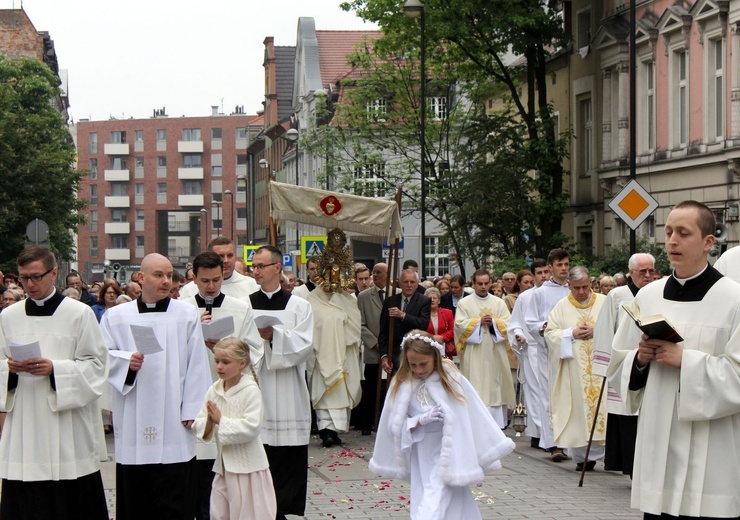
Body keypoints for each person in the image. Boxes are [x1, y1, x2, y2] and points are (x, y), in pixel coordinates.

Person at [608, 200, 740, 519]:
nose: (672, 241)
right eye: (668, 232)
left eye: (683, 233)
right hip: (659, 444)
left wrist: (686, 361)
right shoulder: (648, 297)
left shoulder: (733, 299)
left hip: (713, 446)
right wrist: (639, 360)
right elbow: (618, 365)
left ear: (709, 242)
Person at [0, 245, 109, 519]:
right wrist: (9, 370)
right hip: (24, 424)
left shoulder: (79, 314)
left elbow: (97, 367)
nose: (30, 284)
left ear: (54, 273)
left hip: (66, 428)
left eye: (37, 276)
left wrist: (55, 369)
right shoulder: (7, 317)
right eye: (24, 277)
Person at [101, 253, 211, 520]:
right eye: (158, 275)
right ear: (141, 278)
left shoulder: (185, 314)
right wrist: (126, 363)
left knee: (175, 497)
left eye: (169, 275)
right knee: (137, 499)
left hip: (174, 418)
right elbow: (101, 358)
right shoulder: (116, 317)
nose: (166, 281)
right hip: (132, 415)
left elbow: (197, 363)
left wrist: (193, 410)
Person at [369, 330, 515, 520]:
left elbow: (471, 413)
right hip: (421, 453)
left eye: (424, 364)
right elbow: (394, 426)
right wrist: (419, 420)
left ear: (435, 358)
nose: (419, 369)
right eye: (413, 365)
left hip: (450, 452)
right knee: (434, 496)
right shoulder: (403, 383)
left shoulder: (451, 379)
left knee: (435, 497)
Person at [182, 251, 263, 520]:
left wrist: (222, 348)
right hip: (192, 394)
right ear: (194, 278)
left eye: (216, 279)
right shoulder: (181, 308)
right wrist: (196, 332)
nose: (211, 286)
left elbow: (254, 350)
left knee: (221, 476)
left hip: (230, 397)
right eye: (204, 280)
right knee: (194, 471)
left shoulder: (239, 308)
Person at [249, 245, 313, 520]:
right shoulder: (245, 303)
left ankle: (283, 508)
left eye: (261, 266)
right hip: (257, 383)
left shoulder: (299, 305)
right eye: (254, 266)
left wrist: (274, 337)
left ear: (277, 268)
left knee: (286, 452)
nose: (256, 271)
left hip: (288, 388)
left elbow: (305, 345)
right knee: (259, 448)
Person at [194, 337, 277, 520]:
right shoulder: (214, 390)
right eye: (217, 361)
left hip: (248, 469)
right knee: (219, 513)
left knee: (249, 514)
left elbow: (252, 427)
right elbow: (199, 422)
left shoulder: (250, 390)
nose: (219, 367)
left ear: (242, 363)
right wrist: (209, 421)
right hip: (224, 467)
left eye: (225, 362)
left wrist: (221, 420)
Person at [592, 253, 655, 477]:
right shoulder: (617, 295)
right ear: (632, 273)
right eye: (642, 271)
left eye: (651, 271)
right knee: (626, 414)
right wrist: (603, 366)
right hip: (623, 364)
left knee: (648, 416)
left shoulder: (658, 294)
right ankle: (629, 468)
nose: (647, 276)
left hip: (651, 364)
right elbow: (605, 328)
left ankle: (645, 469)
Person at [544, 266, 607, 471]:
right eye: (576, 288)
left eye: (585, 287)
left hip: (600, 368)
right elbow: (550, 334)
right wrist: (570, 333)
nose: (581, 292)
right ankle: (582, 458)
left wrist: (597, 331)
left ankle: (607, 455)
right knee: (578, 411)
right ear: (569, 285)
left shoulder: (604, 303)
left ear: (592, 284)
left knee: (603, 409)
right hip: (574, 370)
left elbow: (617, 329)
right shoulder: (561, 307)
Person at [307, 229, 362, 448]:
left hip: (343, 354)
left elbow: (354, 326)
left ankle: (337, 429)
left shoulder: (347, 300)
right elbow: (310, 326)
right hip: (321, 355)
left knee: (340, 394)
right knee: (324, 396)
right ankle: (325, 431)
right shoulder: (311, 300)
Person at [523, 249, 571, 461]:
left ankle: (570, 441)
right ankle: (553, 444)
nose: (564, 269)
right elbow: (531, 322)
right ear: (551, 268)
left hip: (572, 348)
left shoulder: (573, 289)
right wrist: (546, 327)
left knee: (570, 395)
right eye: (560, 265)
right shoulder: (540, 293)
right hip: (548, 350)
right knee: (549, 396)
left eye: (567, 264)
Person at [454, 269, 516, 429]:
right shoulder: (464, 303)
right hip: (474, 352)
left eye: (486, 283)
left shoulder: (498, 302)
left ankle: (497, 424)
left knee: (496, 386)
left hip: (495, 351)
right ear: (473, 283)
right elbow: (459, 326)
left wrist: (494, 323)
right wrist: (478, 322)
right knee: (476, 384)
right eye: (479, 284)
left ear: (491, 283)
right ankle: (476, 423)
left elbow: (509, 324)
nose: (483, 287)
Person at [507, 260, 547, 445]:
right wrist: (519, 334)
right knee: (535, 391)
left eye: (546, 271)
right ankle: (539, 433)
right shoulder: (525, 297)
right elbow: (515, 323)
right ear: (533, 276)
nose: (544, 276)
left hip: (554, 349)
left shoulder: (561, 294)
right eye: (539, 273)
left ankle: (554, 433)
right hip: (532, 348)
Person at [356, 262, 388, 435]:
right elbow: (359, 324)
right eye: (373, 273)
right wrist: (374, 342)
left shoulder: (396, 294)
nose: (375, 276)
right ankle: (368, 422)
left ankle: (384, 420)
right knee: (370, 388)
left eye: (379, 273)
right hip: (373, 350)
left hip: (391, 351)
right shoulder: (364, 296)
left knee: (388, 387)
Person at [379, 269, 431, 375]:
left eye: (412, 282)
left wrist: (403, 315)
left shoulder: (424, 301)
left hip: (415, 353)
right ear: (399, 283)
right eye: (405, 282)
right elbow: (383, 331)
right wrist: (384, 355)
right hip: (394, 356)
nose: (409, 285)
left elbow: (423, 324)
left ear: (417, 284)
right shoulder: (390, 301)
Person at [180, 237, 259, 300]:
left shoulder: (252, 286)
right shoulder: (189, 290)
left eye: (230, 255)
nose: (226, 261)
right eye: (220, 256)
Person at [424, 287, 455, 360]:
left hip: (444, 351)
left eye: (434, 298)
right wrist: (432, 337)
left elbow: (453, 330)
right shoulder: (421, 314)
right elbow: (419, 331)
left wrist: (442, 337)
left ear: (439, 301)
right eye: (429, 298)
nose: (432, 300)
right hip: (427, 350)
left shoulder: (448, 313)